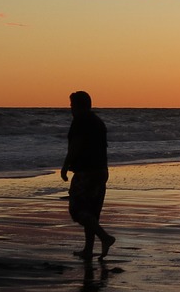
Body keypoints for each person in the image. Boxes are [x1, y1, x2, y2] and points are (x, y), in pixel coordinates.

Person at [61, 91, 115, 260]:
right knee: (91, 212)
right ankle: (88, 249)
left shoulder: (80, 121)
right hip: (101, 170)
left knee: (77, 210)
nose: (70, 108)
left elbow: (75, 145)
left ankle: (105, 237)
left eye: (72, 105)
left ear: (78, 105)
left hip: (86, 172)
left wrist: (64, 166)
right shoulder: (97, 121)